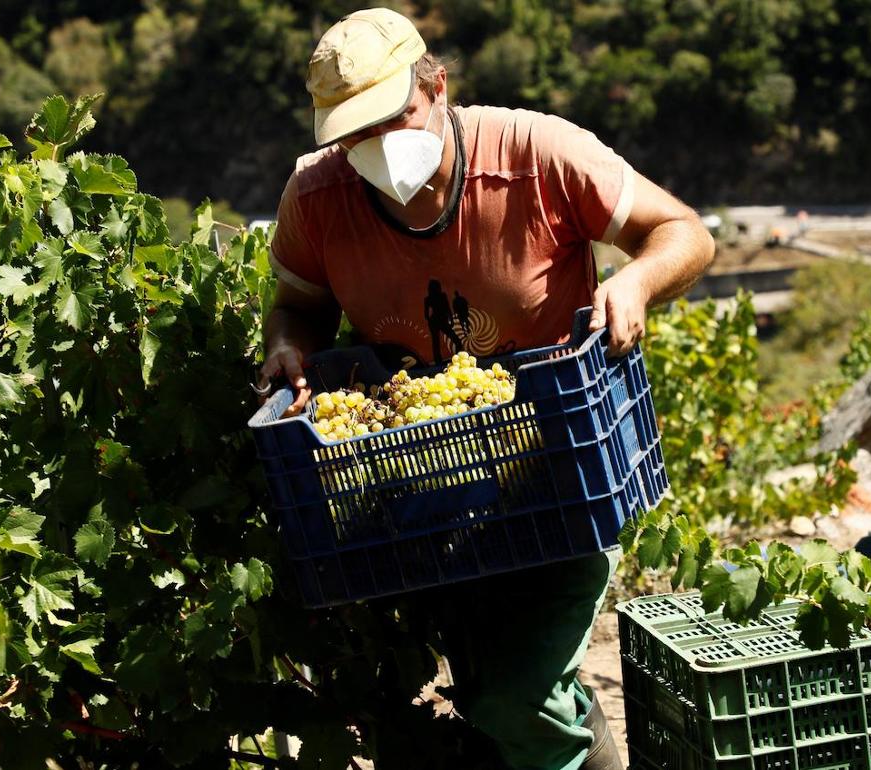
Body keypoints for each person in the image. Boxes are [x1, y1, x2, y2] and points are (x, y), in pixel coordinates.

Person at [258, 8, 714, 769]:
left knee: (514, 695)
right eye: (352, 135)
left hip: (560, 465)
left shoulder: (537, 155)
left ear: (436, 85)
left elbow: (685, 233)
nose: (375, 149)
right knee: (492, 687)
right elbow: (300, 305)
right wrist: (286, 348)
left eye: (392, 118)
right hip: (420, 484)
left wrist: (634, 284)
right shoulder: (317, 198)